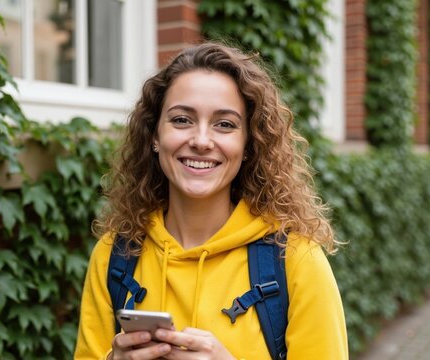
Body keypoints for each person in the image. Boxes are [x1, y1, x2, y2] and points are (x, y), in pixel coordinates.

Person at [74, 42, 348, 360]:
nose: (202, 141)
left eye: (225, 125)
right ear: (154, 136)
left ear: (248, 144)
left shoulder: (296, 260)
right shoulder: (114, 255)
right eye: (181, 120)